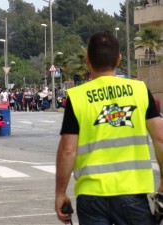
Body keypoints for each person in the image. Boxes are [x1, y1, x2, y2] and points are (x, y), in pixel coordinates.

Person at [55, 31, 163, 225]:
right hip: (132, 192)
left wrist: (60, 193)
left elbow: (67, 150)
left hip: (91, 196)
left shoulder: (77, 97)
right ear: (119, 59)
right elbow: (160, 138)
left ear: (88, 60)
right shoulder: (139, 90)